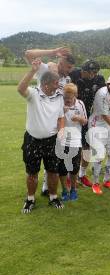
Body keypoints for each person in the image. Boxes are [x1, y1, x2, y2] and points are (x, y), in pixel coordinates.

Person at [25, 47, 75, 196]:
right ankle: (35, 193)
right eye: (68, 67)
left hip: (55, 122)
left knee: (52, 161)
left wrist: (66, 105)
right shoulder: (46, 70)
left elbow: (63, 99)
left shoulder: (67, 79)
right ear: (60, 62)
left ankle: (47, 188)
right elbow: (28, 54)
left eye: (71, 68)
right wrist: (52, 52)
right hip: (41, 118)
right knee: (35, 164)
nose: (69, 71)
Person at [18, 59, 65, 213]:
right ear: (45, 84)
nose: (58, 85)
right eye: (55, 83)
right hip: (33, 140)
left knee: (53, 171)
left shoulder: (59, 96)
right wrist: (32, 71)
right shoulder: (34, 93)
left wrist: (62, 130)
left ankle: (53, 197)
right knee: (32, 172)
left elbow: (60, 117)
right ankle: (30, 199)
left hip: (52, 140)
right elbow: (20, 89)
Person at [70, 60, 106, 188]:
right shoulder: (74, 74)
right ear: (83, 71)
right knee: (71, 147)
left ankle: (81, 175)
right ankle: (69, 175)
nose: (93, 75)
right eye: (91, 73)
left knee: (87, 147)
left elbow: (104, 96)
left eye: (95, 72)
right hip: (73, 116)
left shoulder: (99, 79)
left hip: (89, 117)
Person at [58, 83, 87, 201]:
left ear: (75, 95)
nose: (67, 100)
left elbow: (85, 121)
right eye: (65, 97)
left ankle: (74, 189)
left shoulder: (80, 104)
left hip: (75, 141)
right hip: (61, 140)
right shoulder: (59, 103)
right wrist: (62, 112)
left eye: (69, 98)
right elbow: (53, 121)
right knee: (63, 168)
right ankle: (65, 190)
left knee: (74, 168)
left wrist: (80, 118)